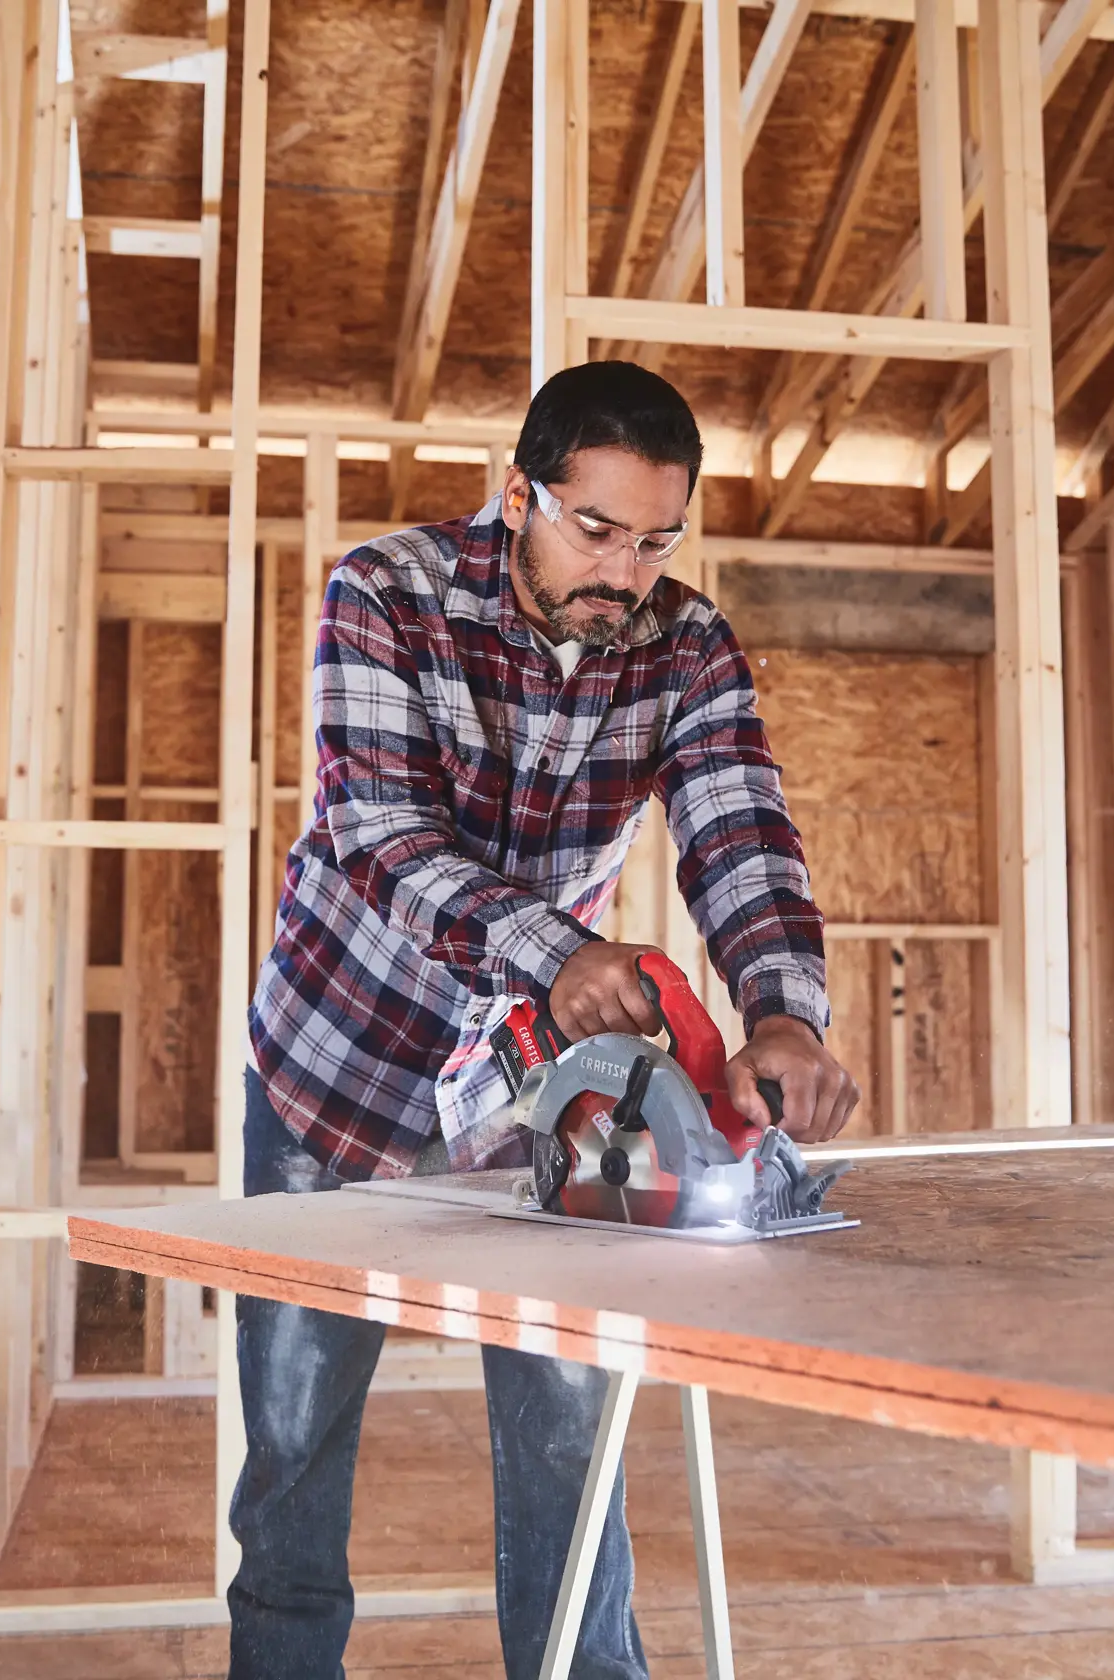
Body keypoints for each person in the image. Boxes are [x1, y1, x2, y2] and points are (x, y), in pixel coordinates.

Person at [233, 360, 860, 1679]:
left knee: (572, 1436)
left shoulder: (683, 645)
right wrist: (558, 950)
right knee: (295, 1452)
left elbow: (741, 835)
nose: (623, 573)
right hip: (334, 1074)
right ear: (516, 492)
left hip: (537, 1096)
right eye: (594, 529)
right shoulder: (387, 591)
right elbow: (382, 833)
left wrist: (784, 1018)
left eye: (654, 542)